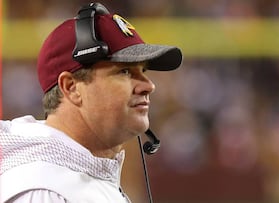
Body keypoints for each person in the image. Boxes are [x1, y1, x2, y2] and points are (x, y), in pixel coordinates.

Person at [0, 2, 182, 203]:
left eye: (143, 71)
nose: (149, 86)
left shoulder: (76, 176)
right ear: (71, 87)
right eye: (124, 71)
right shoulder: (45, 190)